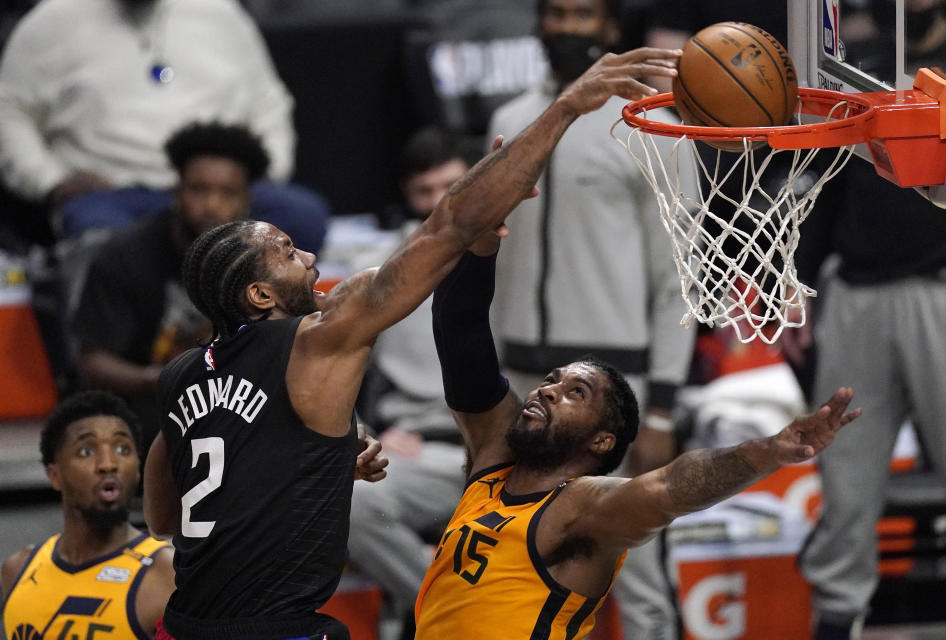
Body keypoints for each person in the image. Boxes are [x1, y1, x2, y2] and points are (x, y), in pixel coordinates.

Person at [141, 45, 685, 640]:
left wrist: (304, 464)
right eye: (288, 254)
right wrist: (564, 109)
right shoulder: (318, 343)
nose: (311, 258)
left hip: (184, 626)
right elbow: (447, 225)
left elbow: (164, 516)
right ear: (261, 297)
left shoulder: (182, 374)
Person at [413, 226, 861, 640]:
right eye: (551, 380)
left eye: (576, 393)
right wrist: (481, 244)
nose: (549, 391)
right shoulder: (493, 463)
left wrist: (769, 451)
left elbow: (673, 486)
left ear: (601, 441)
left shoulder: (581, 507)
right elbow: (460, 326)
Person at [487, 0, 698, 635]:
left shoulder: (648, 125)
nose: (566, 28)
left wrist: (660, 406)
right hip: (520, 376)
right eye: (556, 13)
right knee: (516, 557)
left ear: (610, 29)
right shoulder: (511, 117)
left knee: (634, 560)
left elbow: (678, 278)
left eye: (583, 15)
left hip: (615, 383)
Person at [782, 158, 946, 639]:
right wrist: (798, 277)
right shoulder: (858, 85)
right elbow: (829, 181)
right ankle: (838, 619)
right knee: (846, 482)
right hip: (857, 293)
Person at [0, 0, 329, 251]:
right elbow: (9, 111)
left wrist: (265, 171)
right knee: (100, 239)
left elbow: (268, 102)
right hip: (116, 196)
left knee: (301, 216)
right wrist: (50, 181)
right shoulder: (51, 22)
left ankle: (259, 339)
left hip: (219, 188)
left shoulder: (220, 14)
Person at [71, 121, 271, 455]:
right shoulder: (124, 256)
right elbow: (93, 364)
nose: (211, 204)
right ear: (176, 191)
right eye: (199, 189)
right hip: (145, 404)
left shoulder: (263, 262)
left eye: (227, 193)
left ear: (246, 201)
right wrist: (161, 379)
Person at [348, 126, 471, 640]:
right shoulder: (376, 272)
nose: (440, 201)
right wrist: (365, 431)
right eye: (425, 191)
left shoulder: (527, 257)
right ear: (407, 195)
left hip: (511, 446)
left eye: (451, 184)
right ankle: (459, 621)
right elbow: (331, 371)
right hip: (421, 449)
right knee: (346, 500)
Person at [1, 390, 176, 640]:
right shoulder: (17, 569)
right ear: (54, 475)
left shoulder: (165, 574)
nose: (108, 464)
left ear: (138, 471)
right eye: (86, 451)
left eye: (122, 449)